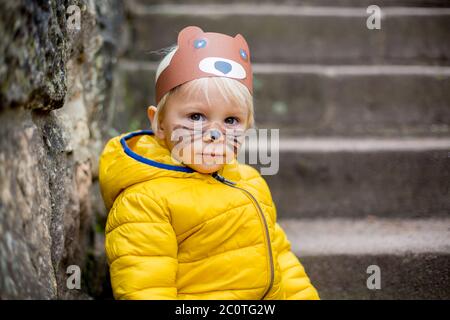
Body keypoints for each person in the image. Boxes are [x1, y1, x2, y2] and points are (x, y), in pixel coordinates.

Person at [99, 25, 319, 300]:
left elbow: (282, 258)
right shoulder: (145, 200)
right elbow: (146, 290)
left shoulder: (249, 181)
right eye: (196, 116)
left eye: (231, 120)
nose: (214, 134)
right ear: (159, 123)